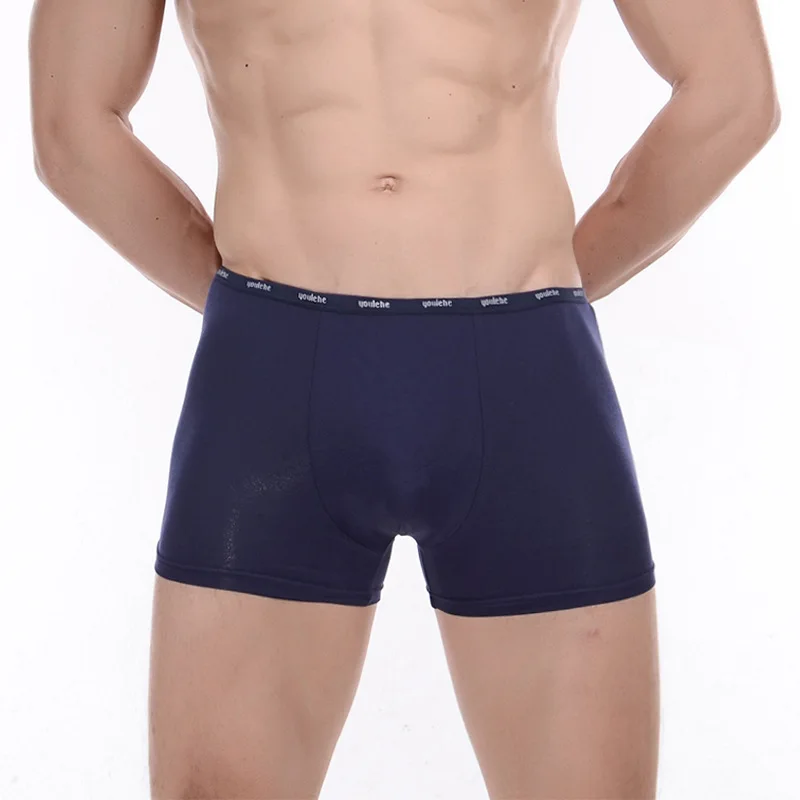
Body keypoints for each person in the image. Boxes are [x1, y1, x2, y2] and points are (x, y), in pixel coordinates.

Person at [29, 0, 779, 797]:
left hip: (506, 372)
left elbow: (732, 95)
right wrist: (248, 308)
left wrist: (544, 299)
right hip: (286, 377)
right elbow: (72, 129)